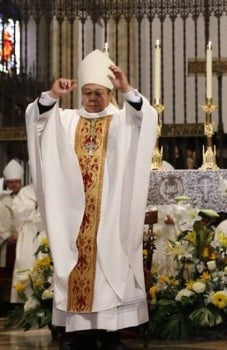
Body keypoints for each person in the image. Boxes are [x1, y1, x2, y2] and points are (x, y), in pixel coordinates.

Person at [25, 49, 158, 349]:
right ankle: (79, 333)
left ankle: (110, 333)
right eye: (87, 93)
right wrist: (52, 95)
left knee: (110, 266)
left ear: (110, 93)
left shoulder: (122, 120)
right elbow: (36, 119)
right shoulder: (68, 120)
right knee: (77, 267)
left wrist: (128, 90)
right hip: (76, 218)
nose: (92, 99)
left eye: (98, 93)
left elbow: (146, 118)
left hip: (110, 214)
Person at [9, 183, 47, 304]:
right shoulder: (25, 192)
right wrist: (34, 205)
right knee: (27, 267)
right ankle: (26, 304)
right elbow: (17, 212)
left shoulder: (53, 187)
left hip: (46, 234)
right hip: (28, 236)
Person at [0, 159, 23, 308]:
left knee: (21, 271)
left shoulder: (27, 198)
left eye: (16, 181)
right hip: (5, 244)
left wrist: (21, 234)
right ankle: (3, 304)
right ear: (7, 183)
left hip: (22, 242)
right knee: (4, 275)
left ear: (21, 182)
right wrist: (6, 235)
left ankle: (18, 303)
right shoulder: (1, 201)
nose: (13, 184)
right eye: (11, 182)